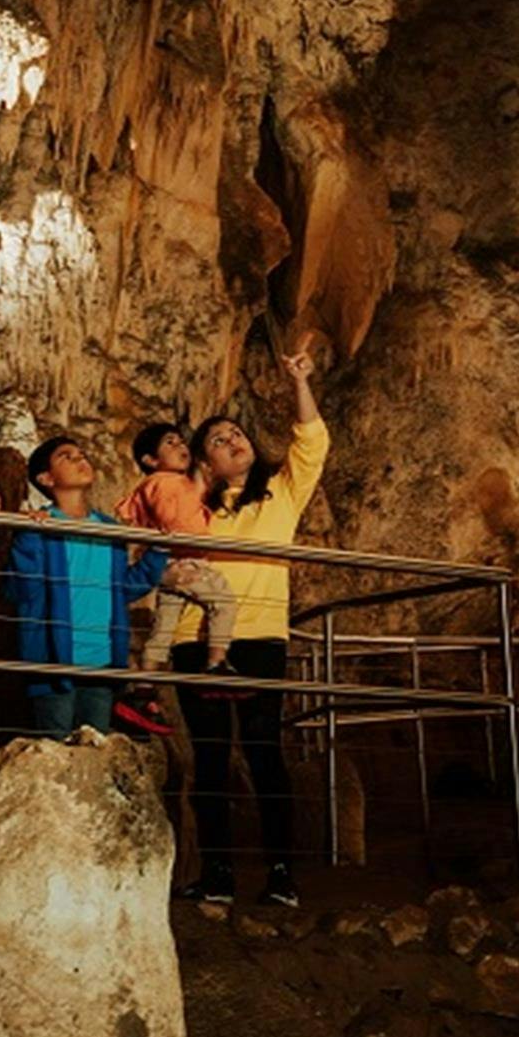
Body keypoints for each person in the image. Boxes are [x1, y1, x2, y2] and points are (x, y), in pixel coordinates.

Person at [174, 346, 327, 907]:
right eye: (217, 439)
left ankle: (281, 874)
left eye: (236, 432)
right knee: (210, 756)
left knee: (264, 750)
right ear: (203, 462)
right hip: (196, 636)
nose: (233, 439)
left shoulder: (280, 495)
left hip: (261, 637)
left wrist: (300, 383)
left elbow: (311, 445)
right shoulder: (192, 507)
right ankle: (217, 874)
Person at [6, 436, 167, 736]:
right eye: (67, 456)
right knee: (55, 750)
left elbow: (123, 588)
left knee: (94, 752)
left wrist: (157, 553)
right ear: (46, 478)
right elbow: (22, 591)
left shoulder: (110, 529)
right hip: (54, 662)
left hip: (102, 662)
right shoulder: (41, 527)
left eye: (82, 454)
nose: (81, 459)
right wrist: (27, 535)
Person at [113, 422, 239, 735]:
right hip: (184, 561)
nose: (181, 446)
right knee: (224, 601)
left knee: (163, 630)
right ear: (150, 460)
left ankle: (143, 689)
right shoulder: (164, 482)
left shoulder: (171, 483)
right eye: (170, 442)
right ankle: (215, 665)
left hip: (167, 564)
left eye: (182, 441)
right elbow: (177, 520)